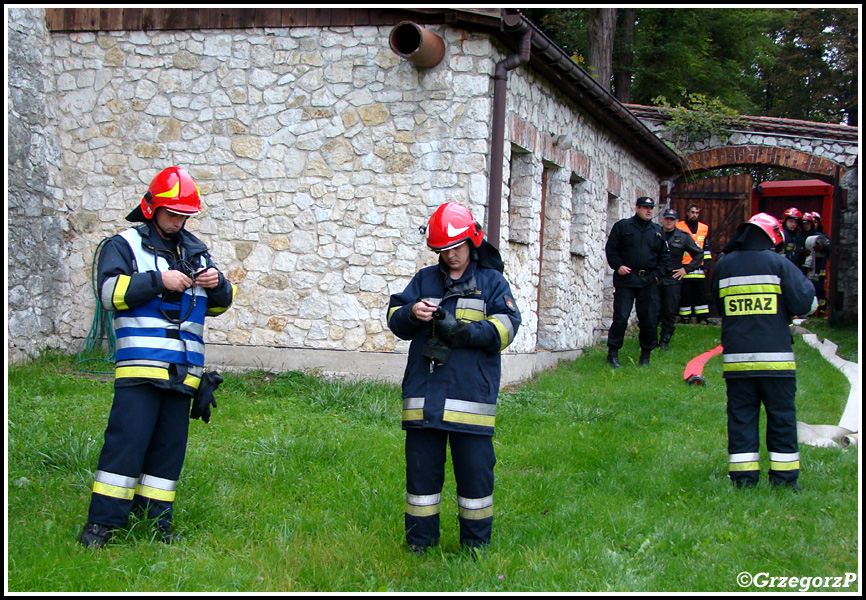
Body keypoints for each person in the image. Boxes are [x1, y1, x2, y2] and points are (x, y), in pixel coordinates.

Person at [79, 166, 237, 548]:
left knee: (168, 454)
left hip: (183, 372)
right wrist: (158, 281)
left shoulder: (195, 250)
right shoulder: (124, 245)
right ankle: (101, 526)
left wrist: (218, 285)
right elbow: (107, 294)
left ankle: (155, 524)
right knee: (125, 445)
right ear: (151, 207)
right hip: (141, 364)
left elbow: (216, 307)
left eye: (185, 215)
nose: (179, 221)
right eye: (173, 214)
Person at [387, 202, 521, 556]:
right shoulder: (423, 280)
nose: (451, 256)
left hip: (470, 399)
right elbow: (394, 318)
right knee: (421, 480)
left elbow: (507, 328)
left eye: (457, 248)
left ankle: (476, 546)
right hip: (424, 400)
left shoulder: (492, 282)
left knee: (476, 477)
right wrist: (412, 313)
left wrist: (463, 332)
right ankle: (419, 544)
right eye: (443, 251)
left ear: (472, 242)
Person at [711, 213, 816, 491]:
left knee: (741, 418)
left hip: (737, 363)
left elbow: (716, 306)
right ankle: (784, 482)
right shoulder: (779, 264)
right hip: (777, 364)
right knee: (781, 418)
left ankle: (744, 481)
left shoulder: (724, 267)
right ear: (772, 236)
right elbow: (804, 302)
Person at [604, 196, 670, 367]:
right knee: (621, 317)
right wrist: (617, 266)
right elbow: (611, 248)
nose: (648, 211)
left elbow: (665, 257)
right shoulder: (623, 226)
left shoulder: (657, 231)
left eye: (651, 208)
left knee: (649, 319)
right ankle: (612, 353)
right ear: (637, 208)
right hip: (627, 278)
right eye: (644, 207)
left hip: (648, 280)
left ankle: (646, 355)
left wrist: (657, 275)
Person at [658, 208, 704, 351]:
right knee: (651, 310)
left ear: (677, 221)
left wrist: (686, 269)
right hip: (656, 277)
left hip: (673, 278)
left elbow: (699, 254)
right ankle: (650, 340)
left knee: (669, 310)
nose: (669, 221)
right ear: (663, 219)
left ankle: (665, 339)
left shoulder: (683, 236)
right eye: (667, 219)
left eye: (672, 219)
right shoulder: (655, 233)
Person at [676, 203, 712, 324]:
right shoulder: (679, 226)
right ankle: (685, 318)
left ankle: (702, 318)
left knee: (701, 294)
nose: (694, 215)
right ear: (687, 212)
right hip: (684, 266)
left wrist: (707, 264)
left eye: (696, 213)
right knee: (685, 294)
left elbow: (706, 248)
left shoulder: (704, 228)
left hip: (699, 267)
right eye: (692, 212)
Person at [800, 212, 831, 317]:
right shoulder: (801, 236)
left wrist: (822, 247)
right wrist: (802, 252)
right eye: (804, 224)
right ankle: (810, 312)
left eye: (815, 222)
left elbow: (830, 246)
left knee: (820, 289)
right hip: (806, 267)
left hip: (819, 267)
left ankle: (822, 311)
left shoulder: (822, 236)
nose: (806, 226)